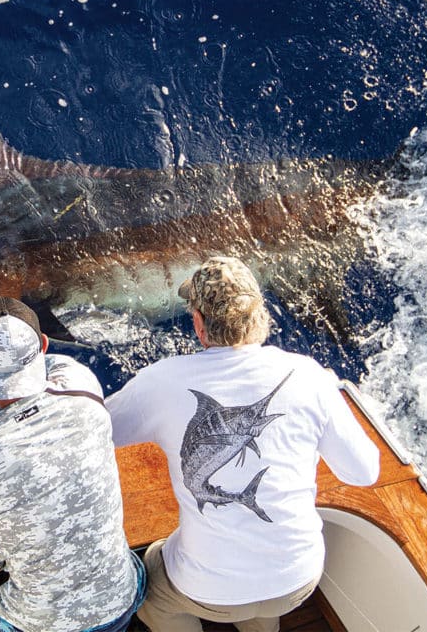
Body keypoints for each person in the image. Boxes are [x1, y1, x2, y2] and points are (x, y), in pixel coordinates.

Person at [105, 257, 379, 632]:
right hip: (298, 580)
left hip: (204, 590)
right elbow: (365, 473)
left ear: (198, 323)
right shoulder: (310, 376)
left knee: (151, 583)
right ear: (259, 315)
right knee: (264, 603)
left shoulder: (160, 380)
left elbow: (98, 430)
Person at [0, 297, 145, 632]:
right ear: (45, 345)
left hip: (39, 623)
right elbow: (56, 368)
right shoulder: (84, 388)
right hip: (124, 596)